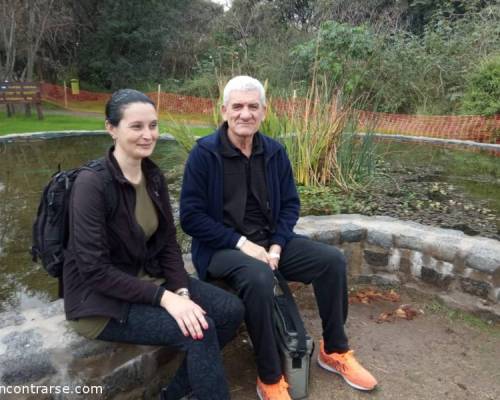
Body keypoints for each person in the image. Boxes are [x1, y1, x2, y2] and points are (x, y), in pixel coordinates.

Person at [180, 76, 378, 400]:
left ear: (264, 111)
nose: (245, 113)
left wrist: (276, 244)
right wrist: (243, 245)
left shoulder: (274, 151)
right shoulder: (204, 154)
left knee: (332, 261)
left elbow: (290, 205)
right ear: (224, 110)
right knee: (258, 277)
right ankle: (270, 375)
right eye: (238, 106)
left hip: (269, 242)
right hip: (222, 248)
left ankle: (334, 350)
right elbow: (191, 217)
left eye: (253, 106)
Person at [63, 89, 244, 400]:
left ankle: (172, 394)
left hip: (147, 279)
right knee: (200, 331)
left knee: (230, 310)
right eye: (136, 127)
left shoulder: (153, 176)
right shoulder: (91, 185)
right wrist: (166, 299)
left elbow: (168, 245)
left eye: (153, 125)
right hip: (101, 301)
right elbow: (94, 270)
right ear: (111, 128)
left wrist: (181, 291)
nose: (148, 135)